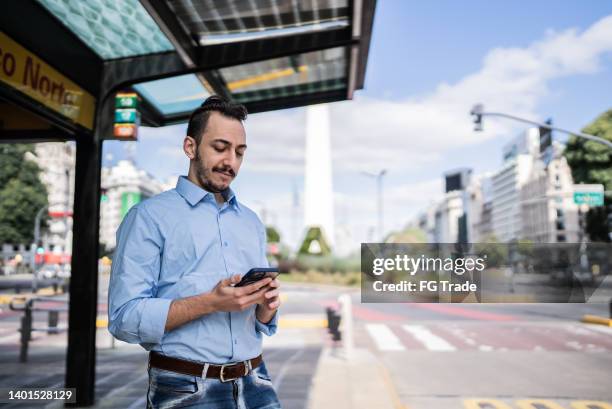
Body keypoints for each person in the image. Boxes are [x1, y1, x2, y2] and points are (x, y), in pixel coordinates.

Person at [108, 96, 282, 409]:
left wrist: (265, 306)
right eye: (220, 147)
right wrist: (210, 303)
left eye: (239, 152)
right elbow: (124, 317)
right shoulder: (148, 217)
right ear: (190, 147)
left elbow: (258, 321)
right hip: (185, 388)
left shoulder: (252, 222)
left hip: (256, 381)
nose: (231, 161)